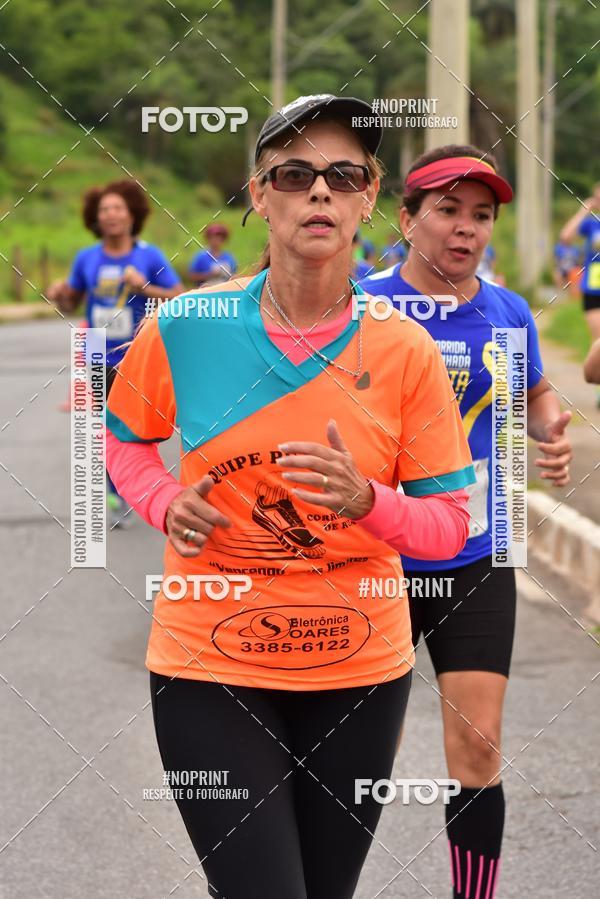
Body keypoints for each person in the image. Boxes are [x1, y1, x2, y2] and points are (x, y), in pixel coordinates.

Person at [105, 95, 477, 899]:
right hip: (209, 661)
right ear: (259, 195)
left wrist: (369, 501)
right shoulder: (188, 325)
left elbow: (449, 526)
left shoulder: (405, 348)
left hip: (359, 671)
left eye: (343, 175)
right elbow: (121, 437)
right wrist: (162, 500)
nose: (320, 191)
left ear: (369, 197)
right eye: (295, 174)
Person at [360, 145, 573, 899]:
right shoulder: (359, 300)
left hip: (474, 553)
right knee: (349, 758)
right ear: (406, 217)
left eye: (481, 216)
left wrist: (550, 427)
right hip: (370, 559)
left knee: (478, 747)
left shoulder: (507, 311)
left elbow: (539, 390)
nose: (465, 229)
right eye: (447, 210)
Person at [46, 179, 183, 526]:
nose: (110, 215)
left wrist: (145, 287)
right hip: (95, 349)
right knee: (105, 424)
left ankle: (133, 486)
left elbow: (180, 297)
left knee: (132, 425)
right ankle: (116, 492)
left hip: (136, 350)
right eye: (104, 209)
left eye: (117, 208)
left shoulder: (149, 255)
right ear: (96, 217)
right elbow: (72, 301)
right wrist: (59, 293)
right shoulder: (86, 258)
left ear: (132, 215)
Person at [560, 183, 600, 405]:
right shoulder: (591, 226)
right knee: (599, 339)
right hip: (593, 289)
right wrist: (584, 209)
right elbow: (566, 236)